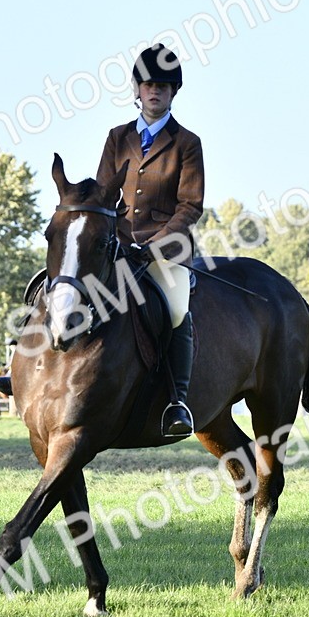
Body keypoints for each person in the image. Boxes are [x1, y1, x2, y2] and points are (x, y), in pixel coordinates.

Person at [96, 43, 204, 438]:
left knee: (175, 310)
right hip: (118, 245)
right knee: (70, 288)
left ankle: (177, 402)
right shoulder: (117, 137)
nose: (154, 91)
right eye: (147, 85)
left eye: (162, 85)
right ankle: (29, 371)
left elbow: (190, 206)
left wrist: (155, 244)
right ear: (137, 90)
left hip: (166, 252)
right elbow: (104, 195)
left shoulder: (187, 143)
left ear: (173, 91)